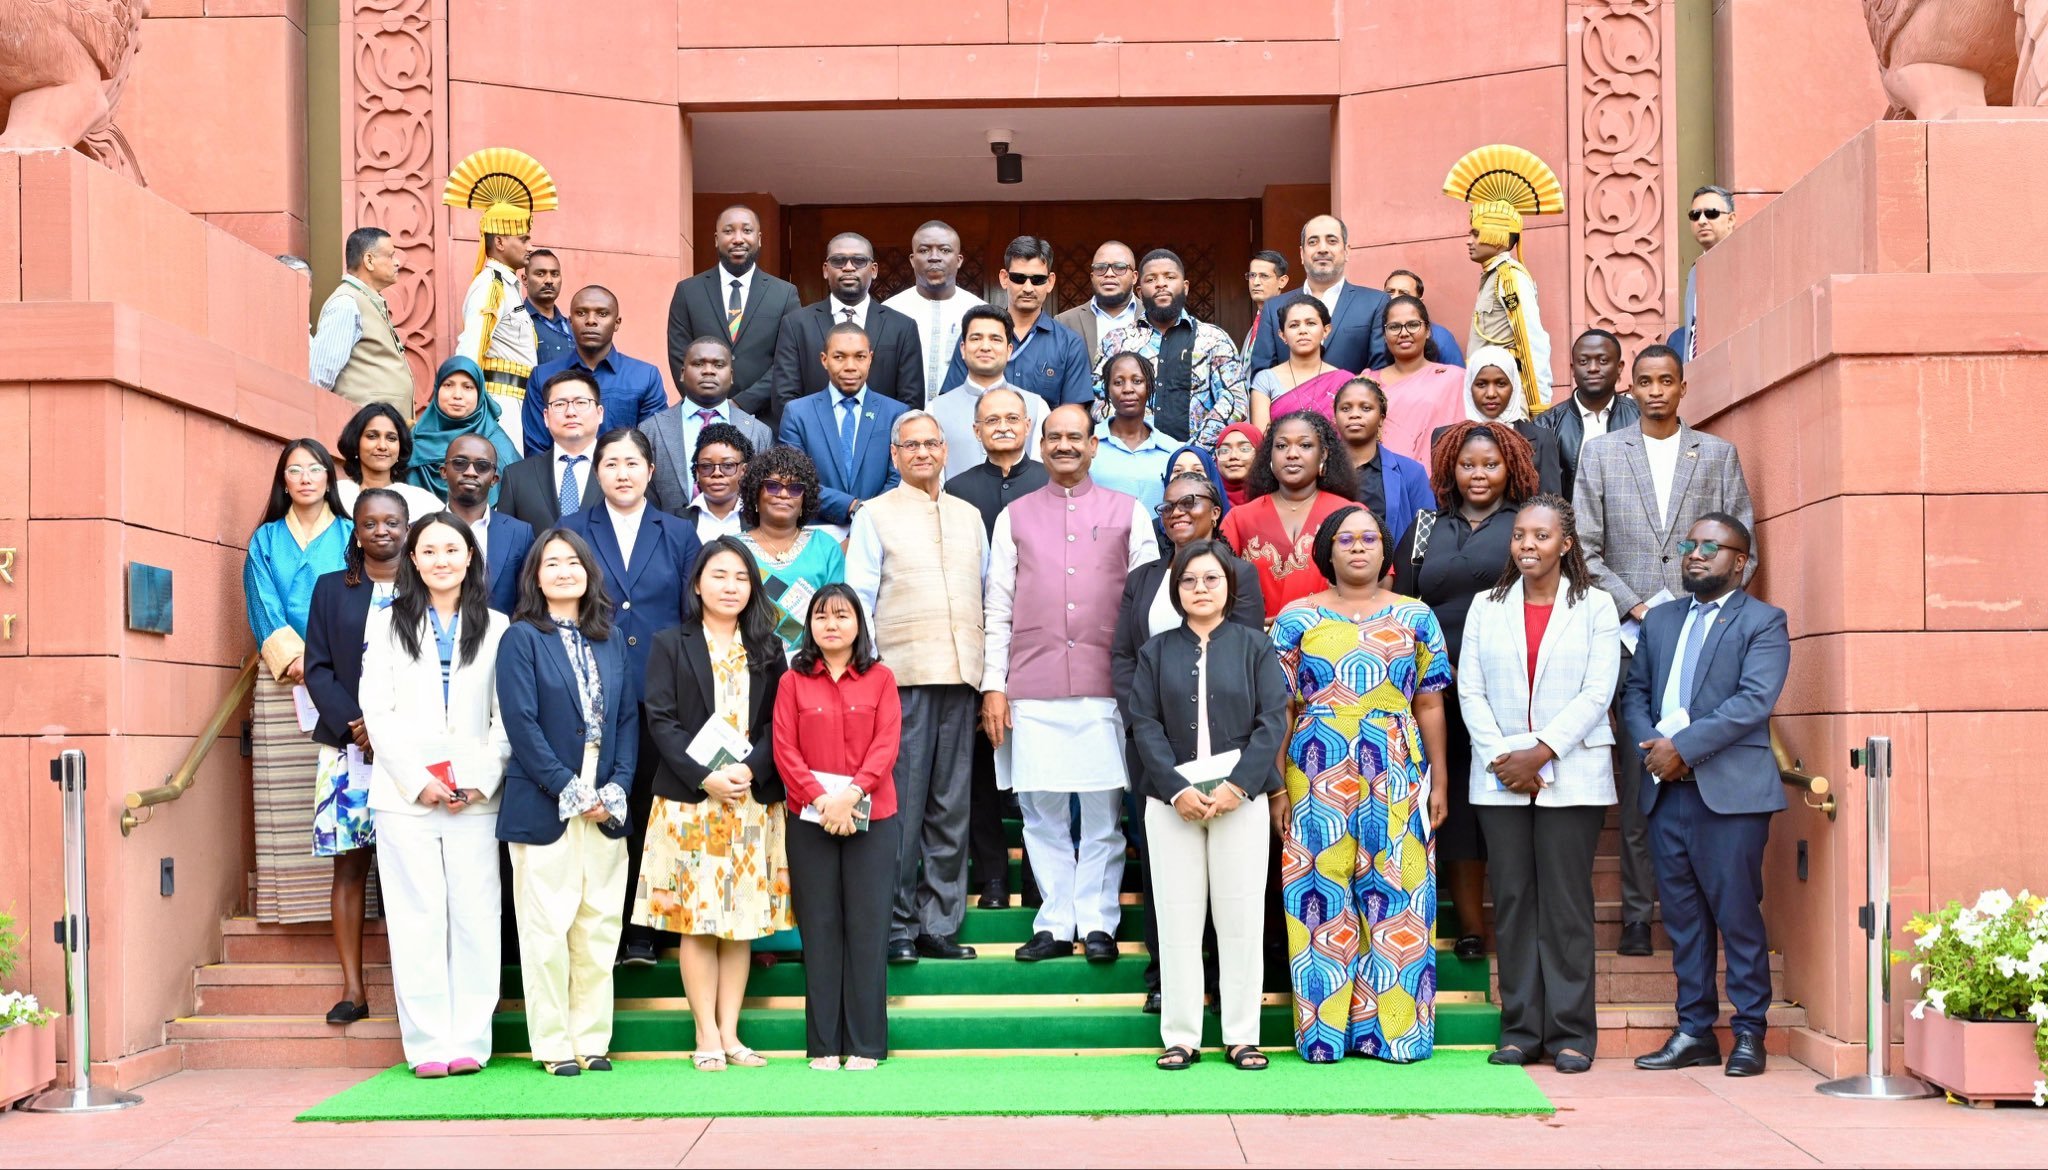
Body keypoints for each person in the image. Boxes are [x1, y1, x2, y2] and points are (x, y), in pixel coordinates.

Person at [1575, 344, 1756, 957]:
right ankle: (1635, 914)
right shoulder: (1601, 453)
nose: (1656, 391)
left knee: (1702, 766)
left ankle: (1704, 910)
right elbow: (1585, 550)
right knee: (1640, 778)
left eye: (1667, 381)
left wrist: (1699, 613)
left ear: (1683, 387)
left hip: (1702, 637)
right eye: (1646, 381)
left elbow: (1745, 545)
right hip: (1632, 637)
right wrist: (1639, 608)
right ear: (1631, 388)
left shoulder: (1718, 454)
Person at [1272, 506, 1451, 1063]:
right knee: (1319, 892)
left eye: (1368, 538)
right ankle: (1324, 1037)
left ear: (1384, 550)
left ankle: (1395, 1033)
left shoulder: (1416, 616)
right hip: (1315, 767)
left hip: (1396, 762)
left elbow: (1429, 702)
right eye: (1345, 539)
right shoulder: (1295, 618)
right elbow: (1280, 708)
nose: (1357, 547)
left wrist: (1440, 780)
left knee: (1400, 890)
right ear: (1327, 550)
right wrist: (1276, 786)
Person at [984, 405, 1158, 963]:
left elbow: (1148, 607)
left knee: (1104, 814)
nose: (1065, 445)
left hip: (1107, 685)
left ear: (1093, 445)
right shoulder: (1013, 516)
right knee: (1041, 813)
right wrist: (993, 686)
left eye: (1075, 437)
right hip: (1031, 684)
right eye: (1054, 437)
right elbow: (997, 606)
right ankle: (1057, 922)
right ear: (1041, 447)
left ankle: (1099, 921)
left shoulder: (1129, 512)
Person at [1457, 494, 1620, 1075]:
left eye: (1541, 536)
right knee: (1514, 902)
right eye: (1520, 535)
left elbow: (1598, 691)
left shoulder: (1596, 605)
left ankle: (1572, 1033)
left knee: (1566, 905)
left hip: (1573, 774)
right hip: (1500, 775)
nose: (1528, 545)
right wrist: (1507, 758)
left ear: (1566, 544)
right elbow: (1469, 689)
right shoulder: (1485, 605)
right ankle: (1521, 1031)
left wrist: (1542, 752)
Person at [1622, 514, 1787, 1079]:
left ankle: (1749, 1033)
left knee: (1737, 915)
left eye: (1710, 547)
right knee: (1684, 921)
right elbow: (1635, 693)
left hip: (1730, 797)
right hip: (1666, 792)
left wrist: (1683, 748)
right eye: (1690, 544)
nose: (1695, 554)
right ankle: (1694, 1031)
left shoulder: (1763, 621)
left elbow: (1753, 701)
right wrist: (1653, 747)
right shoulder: (1661, 619)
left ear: (1740, 561)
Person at [358, 511, 511, 1077]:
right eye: (429, 551)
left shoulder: (497, 626)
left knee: (475, 916)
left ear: (470, 557)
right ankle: (427, 1045)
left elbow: (507, 716)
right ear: (413, 560)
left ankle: (470, 1039)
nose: (441, 560)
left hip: (475, 796)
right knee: (416, 917)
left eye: (452, 550)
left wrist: (482, 778)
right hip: (406, 796)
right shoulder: (386, 622)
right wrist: (417, 779)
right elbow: (377, 710)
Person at [1127, 539, 1288, 1071]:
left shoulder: (1254, 646)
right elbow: (1144, 725)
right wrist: (1176, 789)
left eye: (1211, 579)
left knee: (1241, 917)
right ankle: (1181, 1036)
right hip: (1171, 802)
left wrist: (1238, 786)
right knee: (1177, 919)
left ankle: (1242, 1036)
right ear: (1176, 590)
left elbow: (1272, 720)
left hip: (1240, 800)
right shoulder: (1155, 652)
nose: (1200, 588)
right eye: (1189, 580)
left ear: (1229, 587)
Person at [1392, 418, 1544, 960]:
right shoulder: (1425, 527)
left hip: (1506, 688)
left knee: (1504, 802)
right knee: (1451, 801)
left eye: (1490, 464)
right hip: (1432, 691)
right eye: (1467, 464)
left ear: (1511, 468)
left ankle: (1523, 923)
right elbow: (1400, 605)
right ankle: (1471, 928)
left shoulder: (1525, 525)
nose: (1478, 474)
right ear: (1450, 468)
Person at [638, 536, 792, 1070]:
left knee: (741, 921)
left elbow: (778, 722)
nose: (731, 587)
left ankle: (731, 1034)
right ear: (698, 584)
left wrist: (751, 770)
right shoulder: (670, 643)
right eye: (719, 575)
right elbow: (661, 720)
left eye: (741, 578)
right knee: (698, 921)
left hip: (749, 800)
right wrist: (706, 777)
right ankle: (705, 1034)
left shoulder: (769, 648)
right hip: (691, 803)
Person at [1112, 474, 1262, 1011]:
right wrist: (1142, 721)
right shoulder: (1144, 578)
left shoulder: (1238, 572)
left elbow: (1245, 658)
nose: (1178, 511)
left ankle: (1221, 983)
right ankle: (1166, 978)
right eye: (1168, 506)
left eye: (1191, 502)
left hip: (1227, 754)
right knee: (1167, 876)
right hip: (1158, 748)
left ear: (1216, 511)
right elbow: (1125, 656)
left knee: (1230, 883)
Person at [844, 412, 989, 966]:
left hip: (962, 675)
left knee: (950, 806)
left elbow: (986, 592)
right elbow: (859, 596)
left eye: (932, 442)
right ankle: (897, 924)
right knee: (900, 805)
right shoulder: (875, 515)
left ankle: (938, 925)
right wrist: (873, 672)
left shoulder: (969, 517)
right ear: (895, 454)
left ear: (946, 450)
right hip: (901, 678)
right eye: (911, 445)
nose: (923, 452)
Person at [495, 527, 638, 1077]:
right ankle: (554, 1045)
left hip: (606, 795)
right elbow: (521, 724)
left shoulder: (610, 637)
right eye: (551, 563)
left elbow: (627, 719)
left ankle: (592, 1040)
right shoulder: (520, 638)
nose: (563, 571)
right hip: (547, 796)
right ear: (535, 576)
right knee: (546, 928)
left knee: (599, 925)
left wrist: (616, 786)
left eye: (573, 562)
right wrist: (570, 789)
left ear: (588, 573)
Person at [558, 427, 705, 964]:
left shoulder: (679, 532)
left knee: (649, 803)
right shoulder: (572, 530)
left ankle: (646, 930)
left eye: (632, 463)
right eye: (611, 464)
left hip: (659, 691)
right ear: (596, 472)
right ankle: (604, 928)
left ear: (650, 471)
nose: (622, 474)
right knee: (602, 805)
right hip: (591, 687)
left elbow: (693, 613)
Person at [777, 584, 905, 1071]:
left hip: (873, 817)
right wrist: (822, 800)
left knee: (868, 929)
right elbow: (785, 749)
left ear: (859, 624)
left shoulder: (881, 678)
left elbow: (886, 744)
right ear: (809, 625)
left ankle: (867, 1044)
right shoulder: (793, 681)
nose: (831, 624)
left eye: (842, 615)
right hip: (810, 819)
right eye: (821, 616)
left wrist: (850, 797)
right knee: (821, 928)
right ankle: (825, 1044)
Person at [302, 487, 409, 1024]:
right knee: (349, 868)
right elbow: (317, 667)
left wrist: (388, 727)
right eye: (370, 523)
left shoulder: (426, 586)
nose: (381, 531)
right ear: (357, 531)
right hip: (350, 750)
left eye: (392, 522)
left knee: (412, 865)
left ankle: (418, 993)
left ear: (407, 528)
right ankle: (353, 990)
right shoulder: (331, 589)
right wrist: (358, 724)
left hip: (412, 748)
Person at [942, 387, 1049, 907]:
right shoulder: (956, 490)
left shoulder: (1050, 482)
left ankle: (1038, 880)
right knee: (980, 764)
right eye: (992, 420)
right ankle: (991, 877)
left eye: (1012, 418)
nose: (1003, 426)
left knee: (1035, 762)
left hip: (1037, 641)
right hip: (971, 637)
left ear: (1028, 426)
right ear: (976, 431)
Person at [244, 439, 354, 925]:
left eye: (315, 468)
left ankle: (353, 903)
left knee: (344, 794)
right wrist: (296, 659)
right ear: (283, 482)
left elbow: (360, 599)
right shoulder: (265, 539)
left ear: (329, 478)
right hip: (283, 678)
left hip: (343, 676)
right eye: (295, 470)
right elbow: (262, 601)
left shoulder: (351, 532)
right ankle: (290, 902)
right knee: (287, 799)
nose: (306, 477)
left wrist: (324, 661)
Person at [1093, 249, 1247, 447]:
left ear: (1185, 287)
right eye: (1151, 279)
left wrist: (1193, 451)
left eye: (1169, 277)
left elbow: (1235, 400)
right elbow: (1098, 398)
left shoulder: (1214, 340)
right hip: (1131, 456)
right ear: (1139, 292)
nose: (1161, 284)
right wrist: (1134, 441)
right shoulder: (1116, 342)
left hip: (1197, 460)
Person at [666, 204, 802, 421]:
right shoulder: (688, 291)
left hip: (764, 420)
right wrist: (708, 404)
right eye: (728, 231)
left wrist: (742, 403)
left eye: (746, 231)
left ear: (759, 239)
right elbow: (679, 356)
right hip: (703, 417)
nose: (738, 239)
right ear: (716, 239)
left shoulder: (784, 294)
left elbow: (788, 361)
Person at [1218, 411, 1357, 620]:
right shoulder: (1239, 519)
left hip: (1332, 636)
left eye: (1305, 445)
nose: (1292, 454)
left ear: (1323, 454)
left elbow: (1376, 583)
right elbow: (1216, 582)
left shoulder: (1350, 515)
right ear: (1270, 455)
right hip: (1254, 637)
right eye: (1282, 446)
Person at [769, 232, 924, 417]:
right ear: (826, 270)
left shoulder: (902, 327)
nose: (849, 267)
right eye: (838, 261)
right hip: (812, 434)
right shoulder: (796, 324)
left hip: (883, 434)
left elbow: (910, 402)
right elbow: (785, 398)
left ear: (874, 270)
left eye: (859, 261)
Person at [775, 321, 910, 527]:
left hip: (881, 528)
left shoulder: (896, 413)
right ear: (824, 360)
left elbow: (900, 476)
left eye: (860, 357)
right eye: (839, 357)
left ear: (870, 359)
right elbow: (794, 478)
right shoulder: (797, 413)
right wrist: (852, 506)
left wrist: (869, 517)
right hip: (816, 531)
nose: (850, 366)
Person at [945, 235, 1094, 408]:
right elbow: (952, 403)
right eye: (1019, 278)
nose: (1028, 288)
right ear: (1004, 278)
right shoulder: (975, 338)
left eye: (1037, 280)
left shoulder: (1069, 344)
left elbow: (1073, 415)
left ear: (1050, 282)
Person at [522, 286, 669, 457]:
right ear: (570, 322)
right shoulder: (542, 377)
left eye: (602, 314)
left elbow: (652, 447)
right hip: (561, 473)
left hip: (622, 473)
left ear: (617, 323)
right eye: (581, 313)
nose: (591, 321)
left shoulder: (645, 377)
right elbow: (536, 451)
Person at [735, 445, 848, 655]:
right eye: (773, 486)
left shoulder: (825, 547)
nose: (784, 494)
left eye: (795, 488)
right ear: (755, 493)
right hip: (749, 662)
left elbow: (838, 614)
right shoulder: (733, 550)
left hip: (813, 663)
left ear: (805, 499)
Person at [1246, 215, 1390, 376]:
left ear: (1346, 251)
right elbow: (1262, 375)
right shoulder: (1274, 308)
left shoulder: (1375, 303)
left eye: (1332, 241)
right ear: (1302, 253)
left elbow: (1381, 373)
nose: (1322, 249)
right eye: (1313, 242)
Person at [645, 335, 773, 515]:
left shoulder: (758, 432)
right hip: (667, 530)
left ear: (731, 376)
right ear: (682, 373)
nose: (708, 371)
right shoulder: (651, 429)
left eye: (718, 365)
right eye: (698, 364)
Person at [929, 305, 1048, 481]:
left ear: (1009, 350)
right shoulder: (935, 410)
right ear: (963, 348)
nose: (985, 347)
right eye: (976, 338)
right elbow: (932, 480)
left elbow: (1043, 477)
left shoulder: (1036, 406)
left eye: (995, 339)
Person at [452, 221, 541, 450]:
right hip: (500, 403)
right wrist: (466, 406)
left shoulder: (507, 286)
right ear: (500, 242)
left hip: (518, 402)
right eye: (523, 239)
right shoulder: (492, 285)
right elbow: (471, 348)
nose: (530, 247)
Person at [1463, 196, 1556, 413]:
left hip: (1508, 400)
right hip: (1486, 398)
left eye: (1476, 233)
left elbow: (1531, 341)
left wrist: (1538, 406)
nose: (1469, 241)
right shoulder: (1493, 276)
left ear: (1497, 236)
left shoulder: (1509, 277)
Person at [1433, 346, 1564, 498]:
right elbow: (1442, 499)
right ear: (1469, 387)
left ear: (1514, 386)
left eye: (1501, 384)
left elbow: (1550, 504)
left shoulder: (1542, 439)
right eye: (1481, 384)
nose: (1491, 394)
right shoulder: (1445, 438)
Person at [881, 219, 986, 401]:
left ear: (959, 260)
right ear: (912, 260)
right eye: (924, 250)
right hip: (903, 413)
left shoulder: (980, 312)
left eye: (945, 250)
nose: (934, 257)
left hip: (965, 413)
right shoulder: (889, 311)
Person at [309, 227, 411, 414]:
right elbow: (318, 376)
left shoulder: (366, 299)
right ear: (369, 261)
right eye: (391, 256)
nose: (397, 262)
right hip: (362, 425)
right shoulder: (346, 303)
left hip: (383, 424)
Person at [1533, 329, 1637, 501]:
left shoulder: (1640, 417)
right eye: (1583, 361)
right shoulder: (1546, 424)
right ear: (1573, 369)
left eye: (1603, 360)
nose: (1593, 368)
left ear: (1619, 367)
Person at [1332, 377, 1432, 548]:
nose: (1354, 414)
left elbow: (1426, 534)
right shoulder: (1319, 470)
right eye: (1345, 408)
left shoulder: (1412, 472)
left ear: (1381, 419)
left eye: (1366, 408)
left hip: (1394, 565)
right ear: (1335, 417)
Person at [440, 433, 535, 615]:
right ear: (444, 471)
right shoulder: (420, 531)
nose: (470, 472)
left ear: (494, 479)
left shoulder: (519, 533)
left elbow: (528, 604)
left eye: (482, 466)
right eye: (460, 463)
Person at [496, 369, 602, 529]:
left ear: (599, 413)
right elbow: (506, 539)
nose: (570, 412)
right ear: (545, 416)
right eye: (560, 404)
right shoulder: (516, 476)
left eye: (581, 403)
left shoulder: (623, 471)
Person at [408, 356, 520, 503]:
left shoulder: (497, 444)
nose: (457, 395)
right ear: (437, 389)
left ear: (480, 393)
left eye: (467, 387)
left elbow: (518, 495)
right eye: (448, 385)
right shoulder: (416, 439)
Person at [1376, 294, 1470, 466]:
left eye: (1413, 325)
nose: (1404, 333)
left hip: (1436, 477)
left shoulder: (1454, 379)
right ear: (1384, 335)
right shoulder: (1367, 382)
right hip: (1381, 478)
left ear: (1427, 331)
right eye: (1394, 327)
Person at [1091, 352, 1177, 514]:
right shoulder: (1087, 445)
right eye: (1118, 382)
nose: (1128, 389)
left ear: (1149, 387)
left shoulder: (1172, 450)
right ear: (1107, 389)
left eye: (1137, 381)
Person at [334, 402, 443, 521]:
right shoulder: (337, 495)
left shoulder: (421, 501)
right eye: (372, 436)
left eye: (391, 438)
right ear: (355, 442)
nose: (382, 446)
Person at [1254, 296, 1351, 427]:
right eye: (1294, 325)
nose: (1303, 331)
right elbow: (1262, 436)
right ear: (1282, 335)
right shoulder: (1266, 380)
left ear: (1326, 330)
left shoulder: (1344, 381)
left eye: (1310, 323)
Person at [1673, 185, 1738, 360]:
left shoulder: (1744, 262)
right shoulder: (1694, 272)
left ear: (1731, 219)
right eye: (1695, 215)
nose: (1702, 221)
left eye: (1711, 213)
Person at [1054, 240, 1138, 362]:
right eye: (1100, 268)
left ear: (1134, 277)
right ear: (1092, 277)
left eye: (1119, 267)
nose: (1109, 274)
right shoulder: (1064, 322)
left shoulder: (1153, 317)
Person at [679, 423, 752, 543]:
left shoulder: (760, 520)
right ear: (697, 472)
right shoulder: (674, 521)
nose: (717, 473)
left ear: (743, 471)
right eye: (706, 466)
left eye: (728, 465)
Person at [1383, 268, 1466, 368]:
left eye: (1403, 293)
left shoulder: (1440, 336)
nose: (1394, 297)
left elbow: (1457, 373)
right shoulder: (1370, 330)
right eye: (1389, 292)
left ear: (1420, 302)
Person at [524, 248, 572, 368]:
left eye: (555, 274)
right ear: (525, 279)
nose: (549, 281)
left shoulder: (573, 327)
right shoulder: (516, 323)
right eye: (540, 274)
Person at [1242, 250, 1290, 358]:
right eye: (1252, 275)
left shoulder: (1288, 321)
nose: (1256, 282)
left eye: (1264, 276)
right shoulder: (1258, 321)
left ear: (1282, 281)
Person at [1212, 422, 1261, 508]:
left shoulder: (1278, 500)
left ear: (1261, 453)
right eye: (1224, 450)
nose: (1233, 456)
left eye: (1244, 449)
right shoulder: (1206, 502)